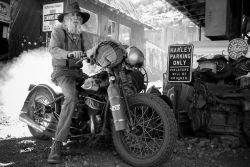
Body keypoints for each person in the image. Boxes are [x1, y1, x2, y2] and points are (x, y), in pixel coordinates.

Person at [47, 2, 96, 164]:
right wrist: (69, 54)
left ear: (81, 21)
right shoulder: (58, 31)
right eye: (72, 16)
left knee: (96, 89)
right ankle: (57, 143)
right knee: (71, 98)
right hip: (62, 72)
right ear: (65, 19)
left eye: (78, 16)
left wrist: (93, 55)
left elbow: (90, 51)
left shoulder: (83, 35)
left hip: (77, 73)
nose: (76, 18)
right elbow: (53, 49)